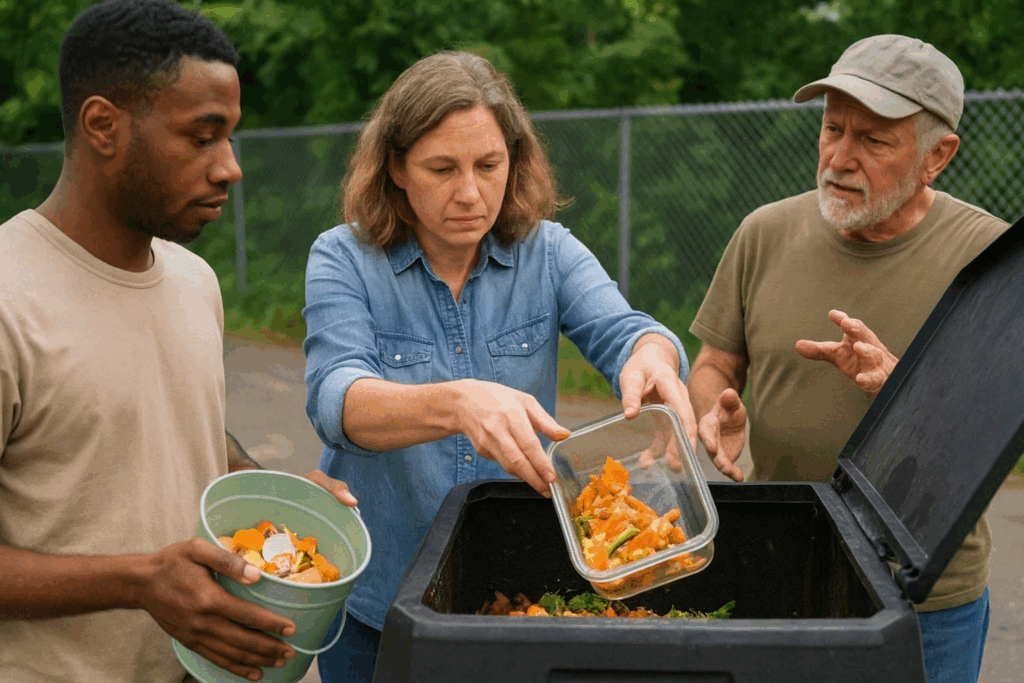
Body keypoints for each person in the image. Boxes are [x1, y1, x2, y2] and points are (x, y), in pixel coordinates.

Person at [303, 50, 697, 682]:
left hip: (508, 599)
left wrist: (653, 358)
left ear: (514, 161)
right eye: (441, 168)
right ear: (396, 167)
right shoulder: (345, 258)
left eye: (489, 165)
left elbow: (628, 330)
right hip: (378, 606)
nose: (470, 192)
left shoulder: (549, 251)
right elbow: (336, 401)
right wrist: (457, 402)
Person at [0, 2, 356, 682]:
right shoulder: (9, 297)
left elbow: (178, 432)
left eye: (232, 137)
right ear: (103, 125)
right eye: (202, 137)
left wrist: (273, 501)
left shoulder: (195, 280)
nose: (231, 167)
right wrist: (139, 581)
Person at [687, 34, 1006, 683]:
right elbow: (715, 365)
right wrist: (712, 408)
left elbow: (1000, 431)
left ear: (937, 155)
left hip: (924, 600)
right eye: (833, 129)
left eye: (874, 140)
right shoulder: (764, 232)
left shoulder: (991, 260)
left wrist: (904, 393)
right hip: (779, 564)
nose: (840, 156)